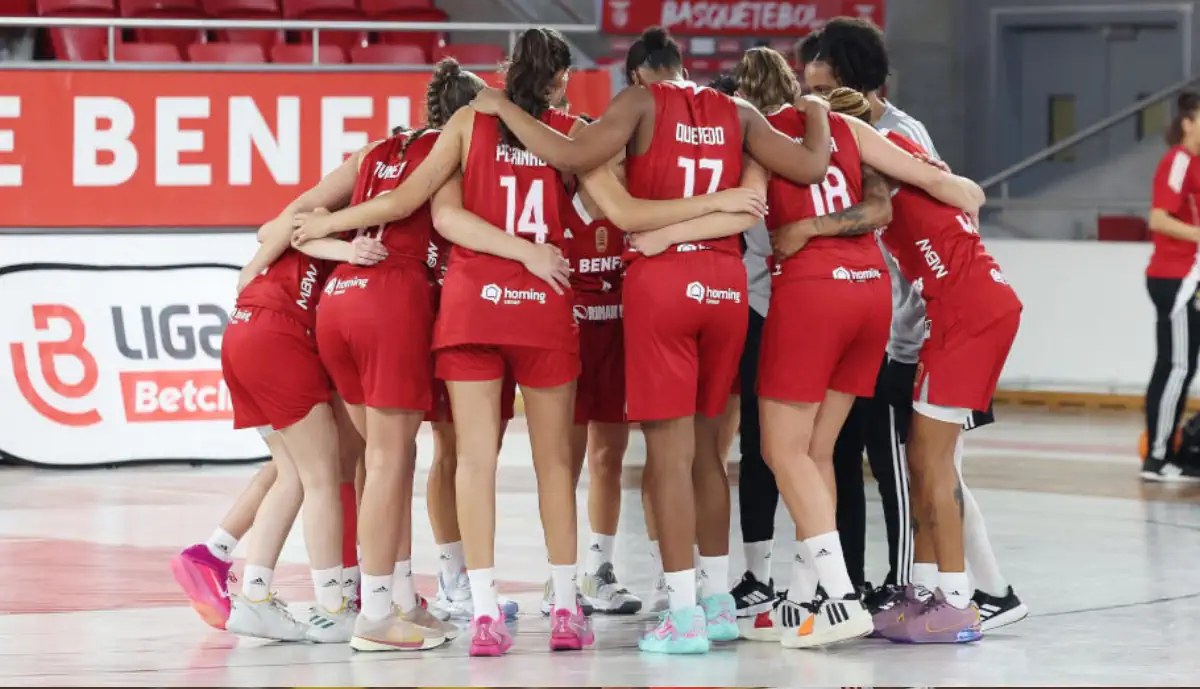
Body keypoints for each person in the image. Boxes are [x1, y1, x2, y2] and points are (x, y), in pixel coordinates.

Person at [470, 25, 846, 654]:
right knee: (709, 454)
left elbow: (568, 155)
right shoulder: (739, 110)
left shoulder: (641, 103)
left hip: (664, 284)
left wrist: (502, 105)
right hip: (728, 287)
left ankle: (685, 616)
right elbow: (811, 165)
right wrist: (816, 110)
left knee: (666, 457)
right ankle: (720, 602)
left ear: (641, 74)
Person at [805, 17, 1028, 632]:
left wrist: (808, 229)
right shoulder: (884, 154)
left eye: (819, 100)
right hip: (956, 310)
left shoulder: (876, 139)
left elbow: (952, 194)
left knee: (930, 464)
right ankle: (931, 592)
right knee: (922, 458)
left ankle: (959, 604)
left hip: (968, 310)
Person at [218, 189, 391, 642]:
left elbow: (278, 230)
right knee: (323, 477)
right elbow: (298, 230)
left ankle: (254, 596)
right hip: (277, 332)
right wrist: (347, 248)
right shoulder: (335, 221)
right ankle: (332, 605)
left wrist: (254, 267)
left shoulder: (327, 224)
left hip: (241, 331)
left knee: (291, 475)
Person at [1143, 90, 1200, 482]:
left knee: (1178, 365)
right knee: (1177, 367)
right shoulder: (1178, 161)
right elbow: (1158, 219)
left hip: (1187, 277)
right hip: (1175, 278)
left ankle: (1167, 452)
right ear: (1188, 123)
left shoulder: (1194, 164)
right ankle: (1158, 457)